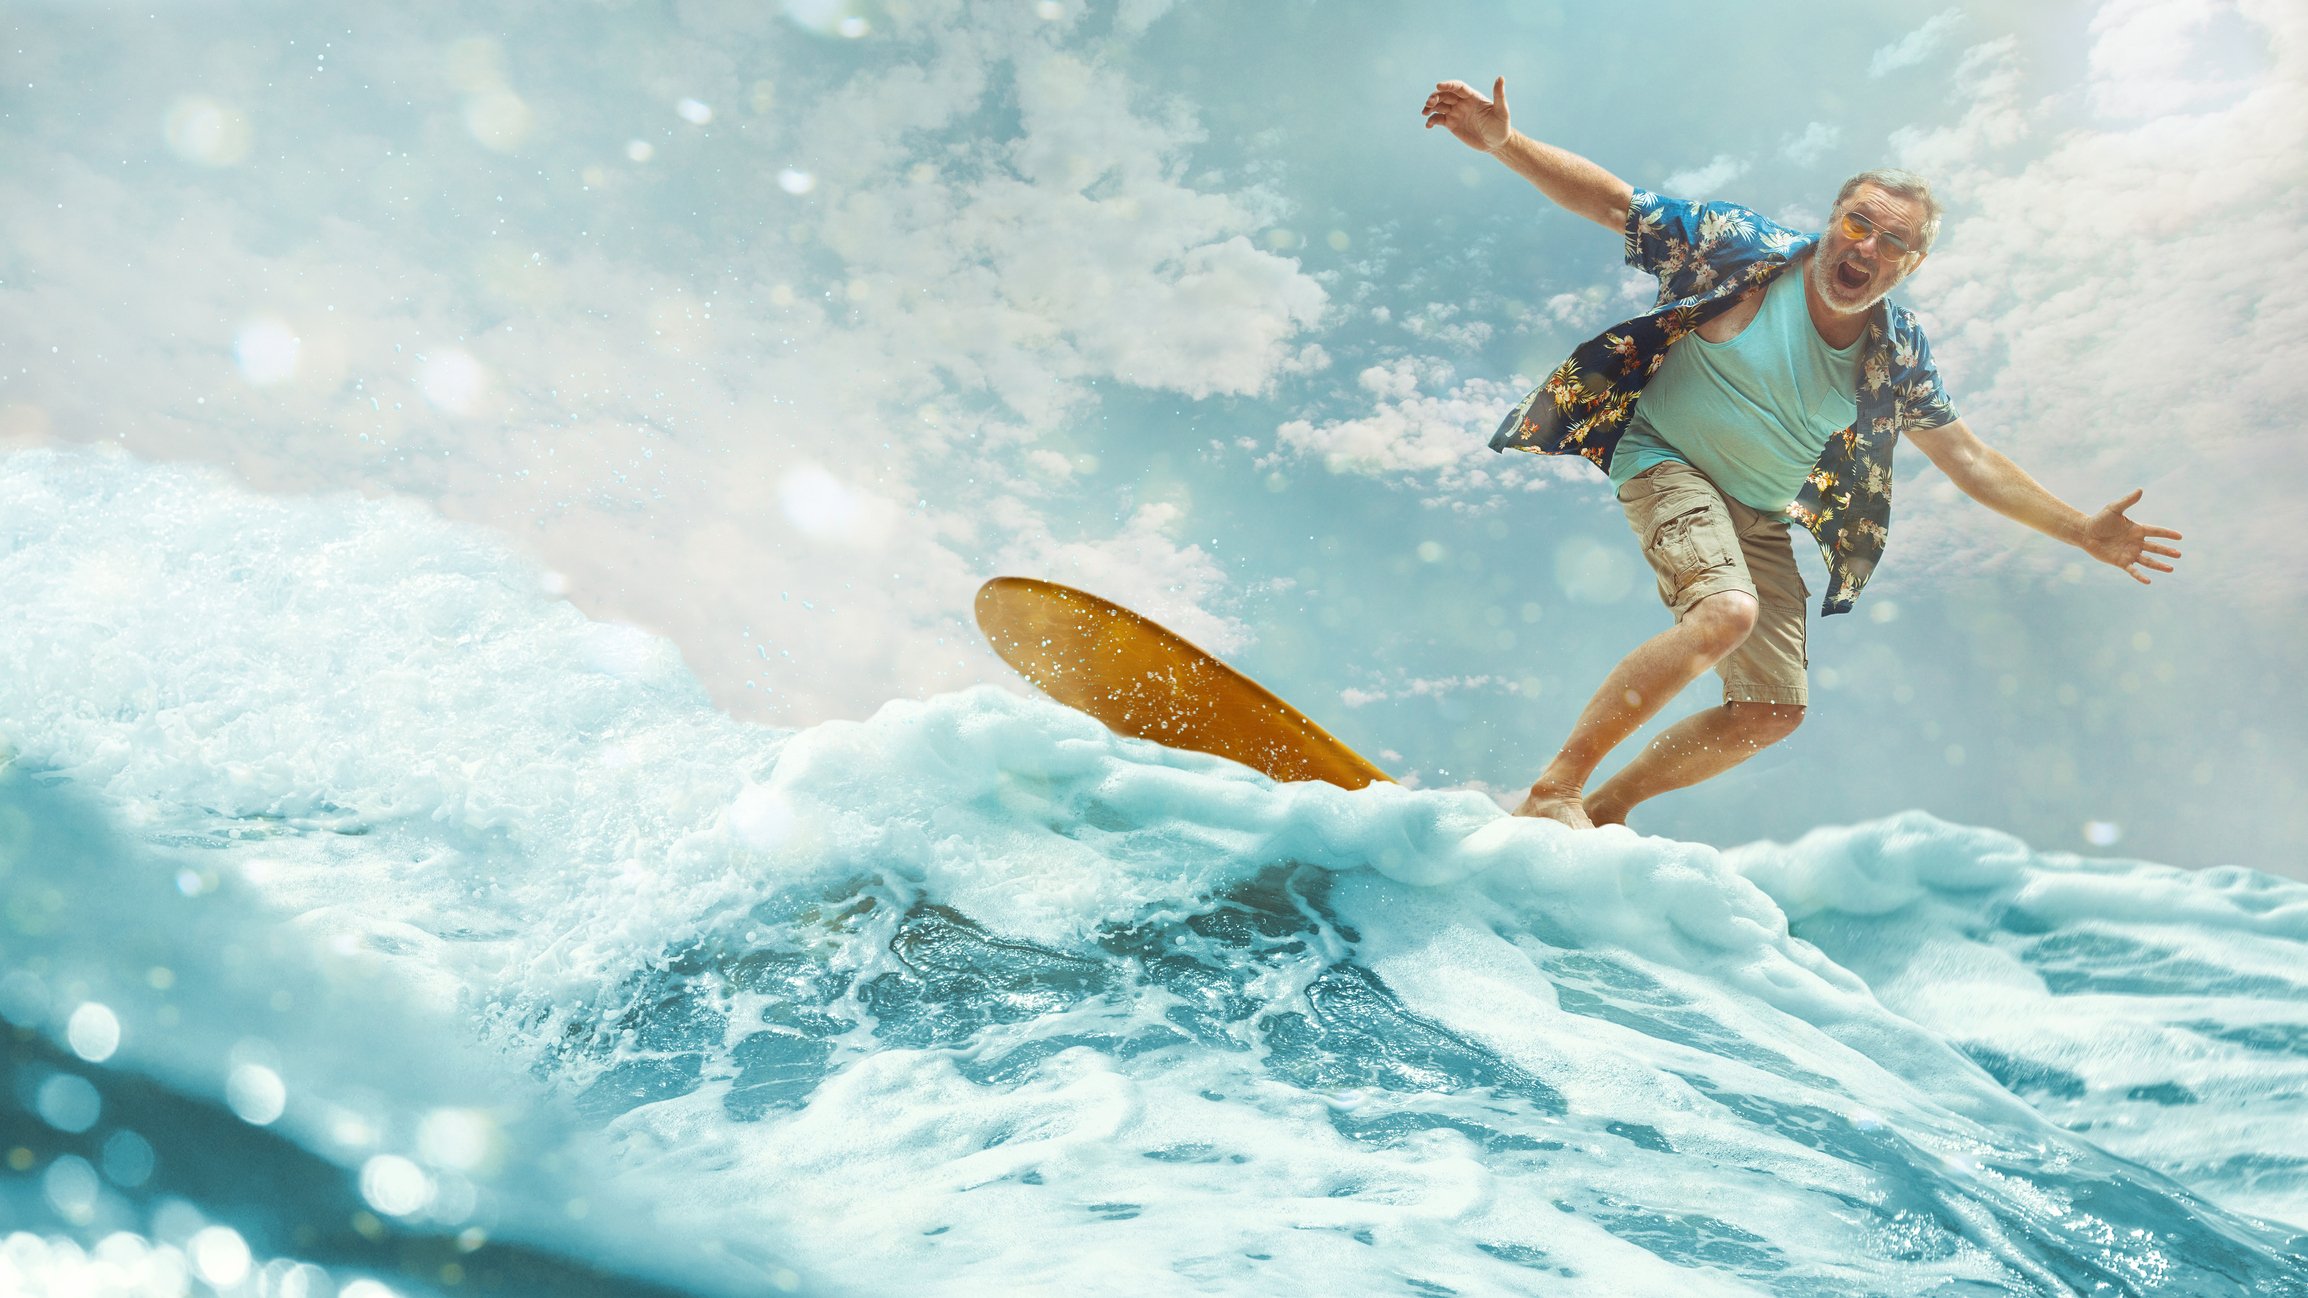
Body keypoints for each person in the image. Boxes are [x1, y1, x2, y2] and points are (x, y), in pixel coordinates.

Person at [1419, 76, 2182, 830]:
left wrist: (2081, 531)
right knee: (1725, 613)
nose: (1868, 247)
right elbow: (1619, 203)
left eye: (1894, 242)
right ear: (1832, 220)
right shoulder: (1742, 251)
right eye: (1859, 224)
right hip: (1665, 460)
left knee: (1771, 711)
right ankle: (1554, 792)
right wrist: (1506, 144)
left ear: (1908, 266)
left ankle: (1606, 812)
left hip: (1760, 514)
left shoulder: (1897, 351)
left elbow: (1968, 459)